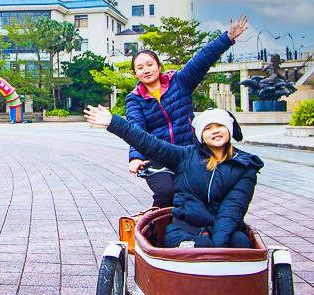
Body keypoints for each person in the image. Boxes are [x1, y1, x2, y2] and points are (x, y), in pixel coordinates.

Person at [86, 105, 263, 249]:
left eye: (220, 126)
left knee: (242, 246)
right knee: (201, 249)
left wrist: (219, 248)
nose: (215, 131)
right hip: (185, 230)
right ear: (200, 135)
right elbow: (151, 145)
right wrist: (114, 123)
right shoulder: (184, 156)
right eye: (208, 128)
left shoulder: (244, 166)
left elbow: (232, 210)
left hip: (225, 229)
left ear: (229, 129)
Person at [126, 15, 249, 209]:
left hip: (190, 155)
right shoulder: (134, 99)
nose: (146, 70)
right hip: (159, 160)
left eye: (150, 65)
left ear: (159, 66)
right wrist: (136, 156)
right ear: (135, 74)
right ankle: (158, 229)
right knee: (167, 192)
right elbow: (135, 128)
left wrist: (227, 38)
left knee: (201, 192)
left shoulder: (180, 82)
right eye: (140, 68)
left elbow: (202, 59)